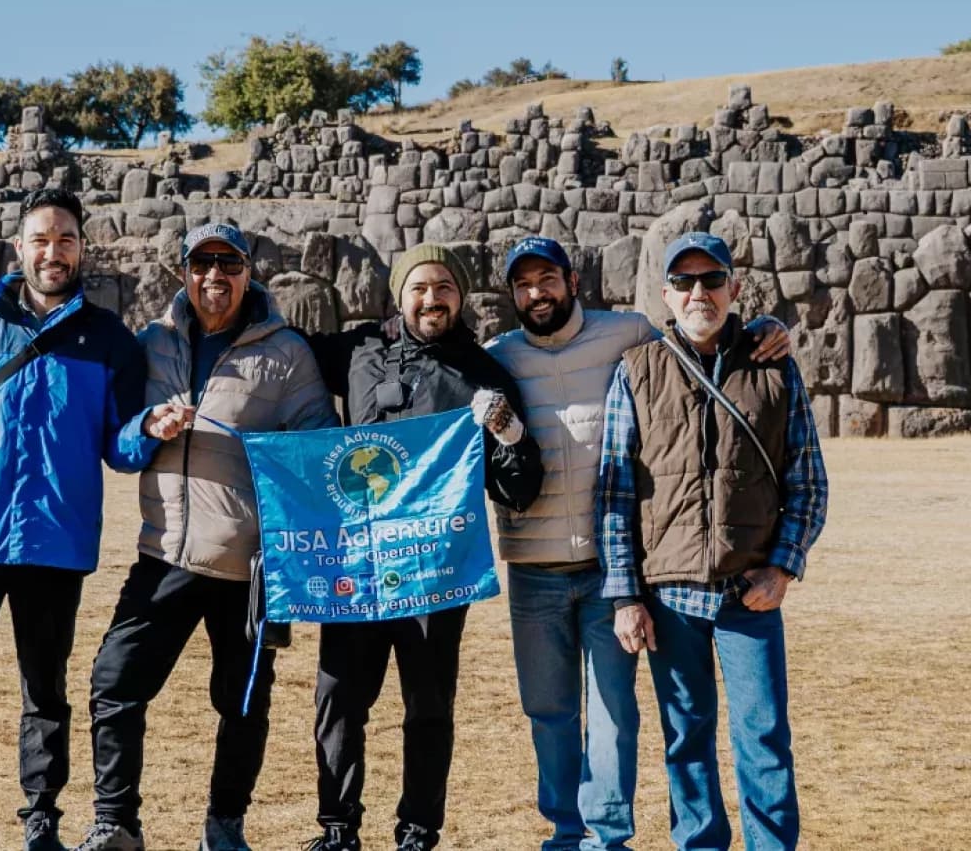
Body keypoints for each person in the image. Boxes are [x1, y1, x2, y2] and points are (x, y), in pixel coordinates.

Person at [484, 236, 791, 851]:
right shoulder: (498, 356)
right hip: (541, 566)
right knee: (553, 713)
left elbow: (704, 332)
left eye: (547, 278)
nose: (536, 292)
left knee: (618, 715)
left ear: (573, 280)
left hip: (611, 571)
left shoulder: (630, 336)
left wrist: (769, 325)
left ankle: (607, 838)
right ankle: (568, 834)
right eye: (523, 284)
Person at [0, 188, 169, 851]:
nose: (53, 252)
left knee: (44, 688)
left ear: (82, 249)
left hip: (55, 541)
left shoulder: (109, 341)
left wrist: (151, 428)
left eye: (66, 240)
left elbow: (120, 445)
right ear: (19, 248)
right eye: (41, 240)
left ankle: (41, 818)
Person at [72, 223, 339, 851]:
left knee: (242, 703)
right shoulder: (154, 345)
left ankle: (224, 825)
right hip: (163, 552)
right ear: (183, 272)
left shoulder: (286, 353)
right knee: (114, 682)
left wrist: (271, 453)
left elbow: (318, 446)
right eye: (201, 263)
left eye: (228, 263)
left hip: (248, 567)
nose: (214, 276)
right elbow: (120, 444)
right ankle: (117, 823)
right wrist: (148, 425)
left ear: (248, 272)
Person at [302, 244, 544, 851]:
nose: (431, 298)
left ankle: (417, 829)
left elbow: (520, 486)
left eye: (444, 288)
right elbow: (279, 351)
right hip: (356, 563)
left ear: (460, 297)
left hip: (435, 571)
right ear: (398, 293)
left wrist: (507, 430)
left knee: (429, 705)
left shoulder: (482, 374)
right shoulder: (357, 351)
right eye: (419, 287)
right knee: (339, 699)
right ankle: (337, 829)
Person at [597, 232, 828, 851]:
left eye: (712, 279)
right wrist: (624, 595)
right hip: (670, 599)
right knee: (685, 738)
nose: (699, 292)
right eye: (685, 282)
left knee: (764, 738)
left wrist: (783, 568)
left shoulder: (774, 367)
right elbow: (615, 494)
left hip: (747, 592)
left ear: (734, 289)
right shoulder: (636, 372)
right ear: (666, 295)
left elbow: (808, 480)